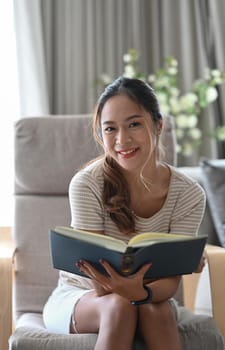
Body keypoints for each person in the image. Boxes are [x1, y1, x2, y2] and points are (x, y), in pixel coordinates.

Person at [43, 77, 206, 350]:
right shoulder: (86, 184)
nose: (122, 140)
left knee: (157, 310)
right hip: (82, 296)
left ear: (158, 125)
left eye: (134, 124)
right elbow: (97, 283)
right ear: (101, 134)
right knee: (120, 306)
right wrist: (135, 291)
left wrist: (143, 292)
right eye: (110, 129)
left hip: (152, 297)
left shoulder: (188, 194)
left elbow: (170, 284)